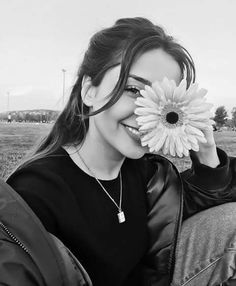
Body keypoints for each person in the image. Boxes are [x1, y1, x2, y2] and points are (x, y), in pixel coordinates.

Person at [3, 17, 236, 286]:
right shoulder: (35, 195)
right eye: (134, 89)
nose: (148, 113)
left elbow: (214, 224)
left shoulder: (151, 177)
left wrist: (207, 154)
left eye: (162, 98)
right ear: (89, 91)